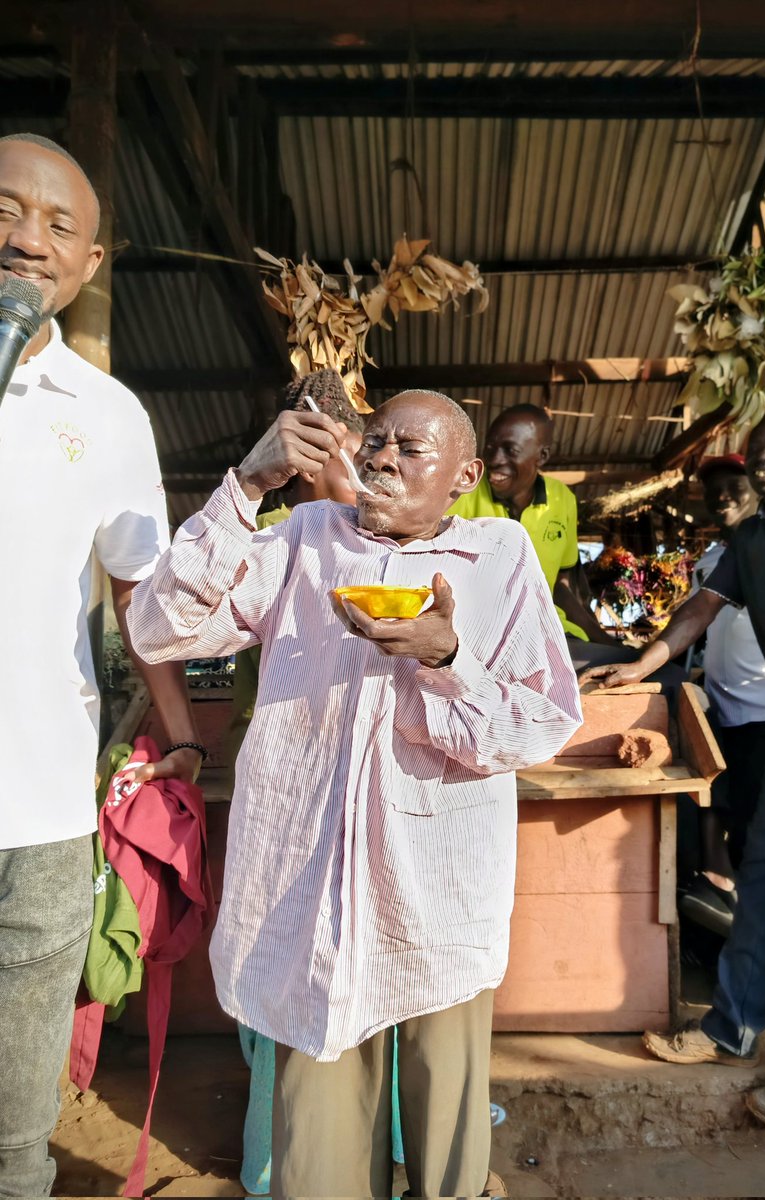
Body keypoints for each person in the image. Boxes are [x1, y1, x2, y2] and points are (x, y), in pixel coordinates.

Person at [127, 389, 583, 1199]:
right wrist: (247, 486)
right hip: (308, 896)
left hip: (434, 900)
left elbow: (539, 726)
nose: (381, 459)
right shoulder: (304, 538)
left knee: (444, 1140)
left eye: (411, 449)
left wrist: (447, 660)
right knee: (318, 1144)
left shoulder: (498, 555)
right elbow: (161, 631)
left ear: (464, 476)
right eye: (375, 441)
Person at [0, 133, 202, 1197]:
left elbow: (139, 586)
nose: (27, 240)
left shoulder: (110, 416)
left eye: (58, 225)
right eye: (5, 211)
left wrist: (179, 730)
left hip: (39, 805)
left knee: (14, 1125)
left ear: (88, 264)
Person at [580, 411, 765, 1120]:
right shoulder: (748, 538)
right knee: (764, 871)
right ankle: (732, 1030)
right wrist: (641, 665)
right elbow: (699, 609)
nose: (764, 459)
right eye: (756, 449)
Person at [225, 382, 364, 1197]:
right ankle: (270, 1159)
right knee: (287, 973)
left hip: (341, 781)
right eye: (356, 454)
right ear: (309, 458)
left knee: (341, 974)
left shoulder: (367, 539)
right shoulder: (276, 542)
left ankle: (351, 1145)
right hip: (287, 785)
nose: (372, 474)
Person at [680, 455, 765, 935]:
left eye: (733, 485)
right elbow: (695, 622)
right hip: (722, 708)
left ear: (756, 488)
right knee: (720, 802)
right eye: (712, 488)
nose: (721, 495)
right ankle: (724, 897)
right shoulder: (711, 560)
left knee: (760, 829)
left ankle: (756, 926)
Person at [447, 403, 618, 654]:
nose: (494, 460)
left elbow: (559, 586)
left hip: (548, 632)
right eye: (490, 448)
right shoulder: (461, 493)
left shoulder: (562, 499)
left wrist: (604, 640)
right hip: (477, 638)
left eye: (510, 450)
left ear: (543, 456)